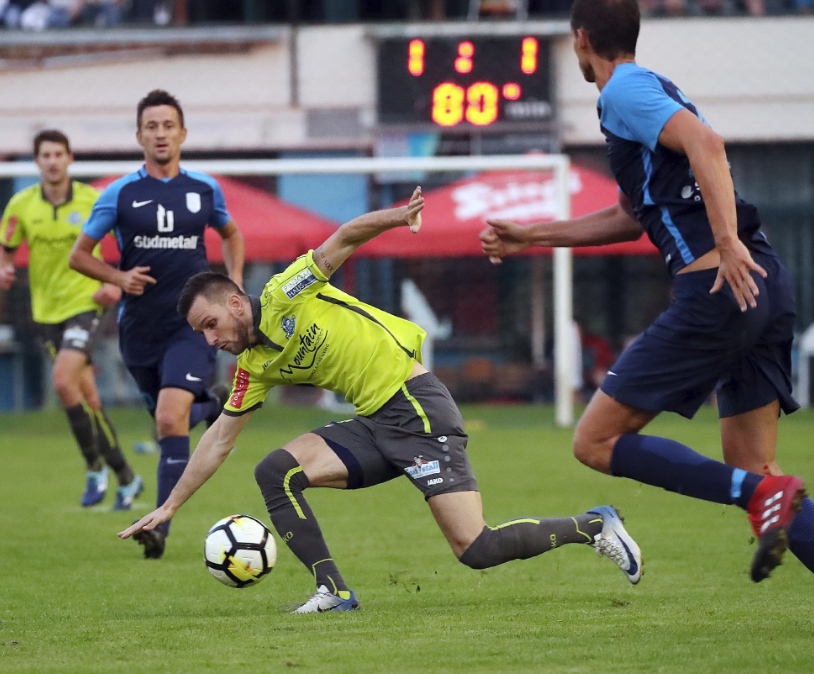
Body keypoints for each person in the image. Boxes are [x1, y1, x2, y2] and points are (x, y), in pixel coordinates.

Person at [480, 0, 814, 638]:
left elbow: (708, 144)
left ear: (581, 39)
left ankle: (761, 500)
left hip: (719, 285)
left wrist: (726, 242)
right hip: (762, 283)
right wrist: (533, 235)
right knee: (755, 465)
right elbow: (632, 215)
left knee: (594, 441)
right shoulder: (649, 95)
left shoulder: (623, 90)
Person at [118, 188, 643, 614]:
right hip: (374, 422)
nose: (210, 339)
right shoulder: (253, 367)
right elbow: (218, 439)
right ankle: (333, 592)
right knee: (275, 470)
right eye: (201, 333)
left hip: (417, 407)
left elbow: (345, 236)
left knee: (477, 549)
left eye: (210, 324)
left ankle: (593, 525)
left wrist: (398, 216)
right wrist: (170, 506)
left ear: (236, 303)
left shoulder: (284, 293)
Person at [70, 89, 244, 559]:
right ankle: (213, 406)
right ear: (139, 136)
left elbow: (231, 233)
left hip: (191, 327)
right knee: (171, 421)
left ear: (182, 133)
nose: (161, 134)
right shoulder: (120, 193)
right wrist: (118, 277)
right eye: (152, 127)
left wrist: (234, 284)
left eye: (168, 126)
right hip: (139, 330)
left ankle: (159, 526)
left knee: (169, 419)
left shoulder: (204, 189)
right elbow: (79, 255)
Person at [0, 129, 142, 509]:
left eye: (58, 154)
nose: (52, 161)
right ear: (37, 161)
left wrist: (115, 282)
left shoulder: (92, 199)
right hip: (47, 311)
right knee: (88, 397)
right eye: (45, 155)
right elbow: (7, 249)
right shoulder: (20, 205)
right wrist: (4, 269)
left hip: (86, 303)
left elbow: (126, 241)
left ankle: (94, 469)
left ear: (70, 159)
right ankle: (127, 478)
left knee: (63, 382)